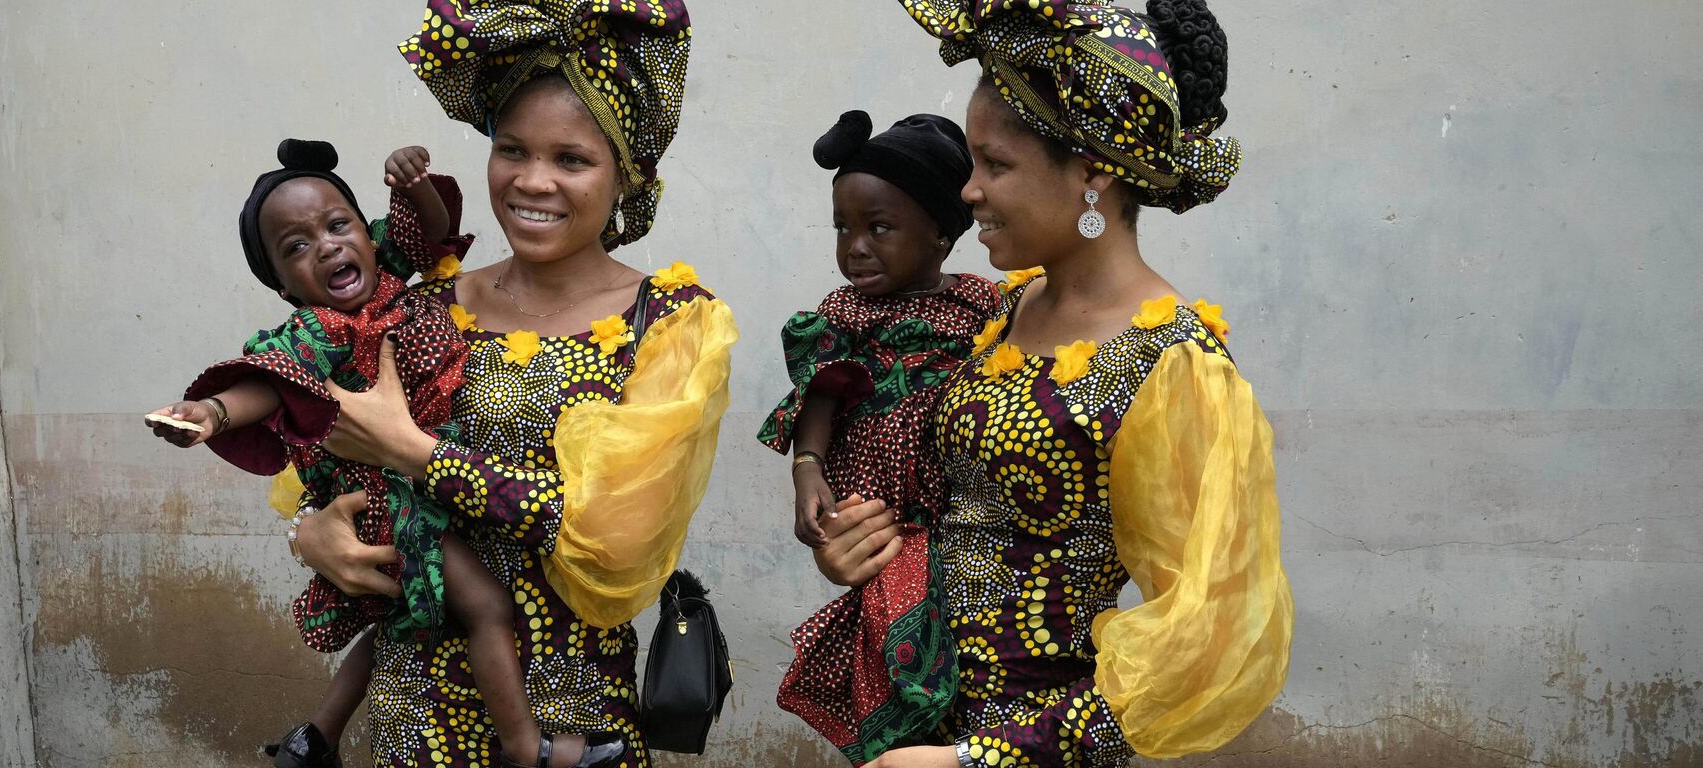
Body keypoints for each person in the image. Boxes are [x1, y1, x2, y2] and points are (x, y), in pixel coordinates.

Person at [812, 1, 1294, 765]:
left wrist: (982, 760)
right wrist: (863, 549)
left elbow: (1207, 633)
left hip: (1031, 745)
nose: (967, 192)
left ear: (1093, 177)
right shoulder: (1001, 312)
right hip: (913, 720)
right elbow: (949, 509)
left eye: (994, 165)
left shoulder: (1175, 365)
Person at [283, 1, 735, 765]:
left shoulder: (670, 322)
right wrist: (312, 533)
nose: (533, 182)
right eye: (512, 149)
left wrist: (420, 454)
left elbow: (613, 540)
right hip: (417, 708)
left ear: (625, 172)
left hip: (573, 721)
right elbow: (329, 462)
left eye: (571, 160)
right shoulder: (421, 303)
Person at [143, 138, 623, 768]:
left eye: (339, 225)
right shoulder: (317, 331)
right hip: (392, 500)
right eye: (296, 247)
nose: (327, 246)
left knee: (403, 616)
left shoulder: (391, 278)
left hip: (434, 500)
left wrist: (412, 183)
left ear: (366, 233)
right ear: (282, 285)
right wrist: (212, 413)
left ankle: (313, 737)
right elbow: (268, 384)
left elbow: (430, 226)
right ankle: (526, 748)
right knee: (484, 606)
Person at [760, 109, 999, 765]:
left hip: (957, 526)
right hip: (884, 528)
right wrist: (807, 466)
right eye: (843, 227)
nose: (855, 246)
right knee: (892, 660)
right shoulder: (845, 313)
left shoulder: (982, 306)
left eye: (879, 227)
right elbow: (822, 390)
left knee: (961, 671)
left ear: (942, 236)